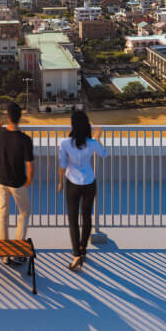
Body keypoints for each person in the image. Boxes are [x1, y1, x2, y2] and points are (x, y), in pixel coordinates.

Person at [0, 101, 34, 266]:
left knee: (3, 213)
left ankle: (4, 252)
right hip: (17, 182)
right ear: (20, 118)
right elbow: (30, 164)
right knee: (24, 213)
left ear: (8, 117)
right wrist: (29, 180)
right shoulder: (25, 139)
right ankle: (18, 251)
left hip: (1, 179)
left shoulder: (0, 133)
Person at [57, 110, 106, 271]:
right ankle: (83, 248)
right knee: (86, 217)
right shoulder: (91, 143)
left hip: (72, 183)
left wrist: (60, 182)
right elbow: (103, 153)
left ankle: (76, 254)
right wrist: (97, 136)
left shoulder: (64, 143)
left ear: (72, 125)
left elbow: (62, 165)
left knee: (72, 220)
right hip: (90, 183)